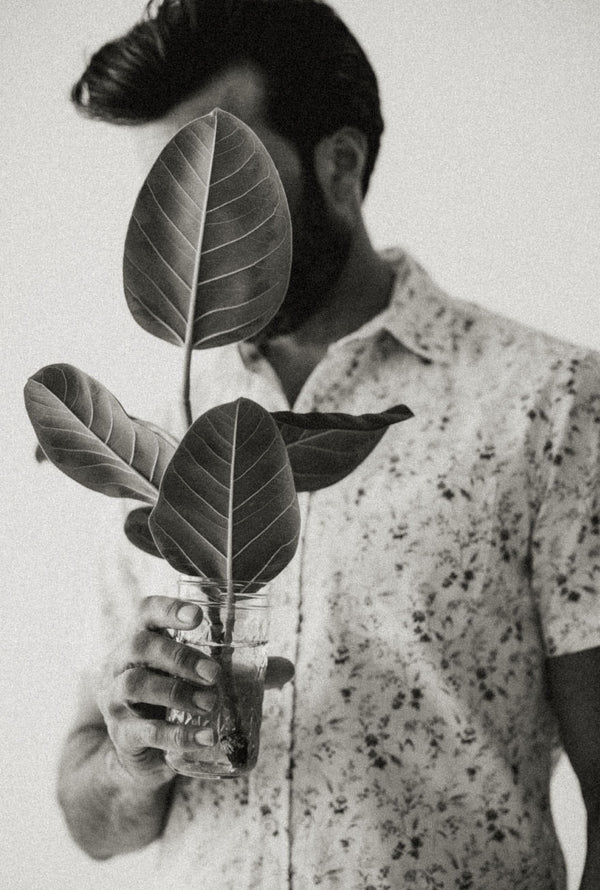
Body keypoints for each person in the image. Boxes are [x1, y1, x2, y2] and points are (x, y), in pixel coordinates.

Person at [57, 1, 600, 888]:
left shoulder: (548, 404)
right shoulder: (156, 442)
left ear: (340, 165)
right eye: (166, 199)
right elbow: (90, 819)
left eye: (224, 186)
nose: (190, 244)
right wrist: (132, 756)